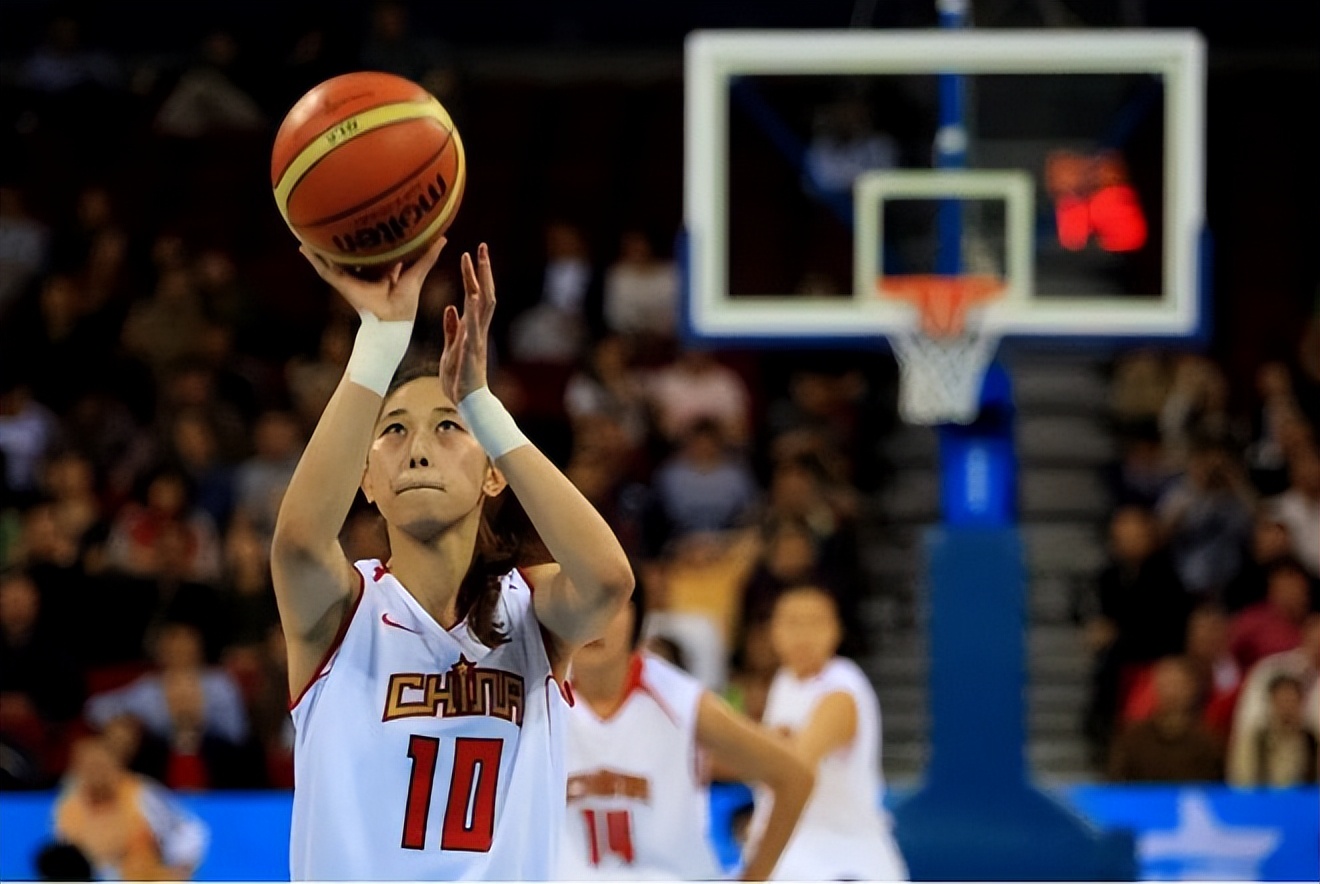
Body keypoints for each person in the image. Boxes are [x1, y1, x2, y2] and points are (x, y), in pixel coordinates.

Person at [273, 238, 633, 880]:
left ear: (494, 474)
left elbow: (609, 579)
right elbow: (299, 541)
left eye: (447, 427)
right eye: (393, 429)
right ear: (366, 480)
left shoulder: (531, 614)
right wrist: (379, 340)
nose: (418, 449)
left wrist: (482, 404)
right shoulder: (341, 612)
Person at [558, 592, 812, 880]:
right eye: (580, 607)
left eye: (606, 606)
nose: (593, 623)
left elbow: (795, 776)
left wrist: (754, 877)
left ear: (635, 615)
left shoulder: (681, 699)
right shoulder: (538, 696)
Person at [748, 584, 908, 881]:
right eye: (792, 622)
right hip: (795, 852)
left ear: (836, 630)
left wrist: (725, 752)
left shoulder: (842, 690)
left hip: (841, 855)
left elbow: (795, 765)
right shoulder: (784, 680)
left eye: (815, 622)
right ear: (773, 631)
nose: (803, 633)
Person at [52, 733, 209, 881]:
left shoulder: (141, 795)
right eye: (89, 767)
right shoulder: (68, 807)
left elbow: (186, 829)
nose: (96, 774)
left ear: (116, 764)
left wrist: (181, 868)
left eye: (101, 766)